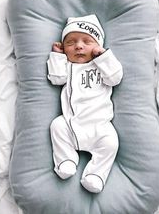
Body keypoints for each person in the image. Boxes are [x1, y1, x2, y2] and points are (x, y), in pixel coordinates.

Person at [47, 14, 123, 193]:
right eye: (71, 43)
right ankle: (66, 160)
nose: (79, 46)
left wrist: (103, 57)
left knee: (111, 143)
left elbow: (115, 78)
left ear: (98, 46)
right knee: (56, 125)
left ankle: (96, 175)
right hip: (72, 124)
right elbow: (56, 79)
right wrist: (57, 57)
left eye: (86, 42)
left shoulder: (101, 65)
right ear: (65, 49)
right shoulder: (67, 65)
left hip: (100, 126)